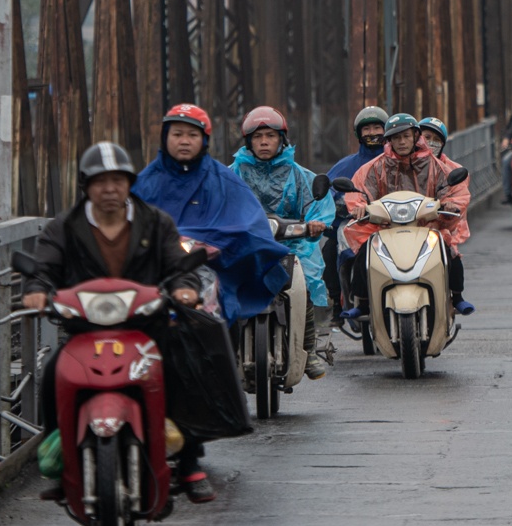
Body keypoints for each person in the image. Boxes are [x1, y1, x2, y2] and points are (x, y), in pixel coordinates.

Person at [21, 141, 214, 502]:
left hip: (146, 329)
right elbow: (43, 267)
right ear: (86, 186)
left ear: (129, 184)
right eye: (100, 181)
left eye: (117, 180)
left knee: (183, 368)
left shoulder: (156, 223)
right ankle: (63, 460)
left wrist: (185, 288)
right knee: (52, 375)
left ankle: (189, 462)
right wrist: (36, 289)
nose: (109, 189)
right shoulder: (65, 227)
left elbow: (178, 265)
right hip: (85, 331)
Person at [134, 104, 291, 325]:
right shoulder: (146, 182)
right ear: (165, 137)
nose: (185, 141)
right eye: (177, 134)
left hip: (210, 264)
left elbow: (249, 221)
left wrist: (220, 245)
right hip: (158, 264)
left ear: (204, 139)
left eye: (192, 135)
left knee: (219, 315)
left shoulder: (222, 180)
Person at [231, 106, 335, 379]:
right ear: (248, 142)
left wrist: (315, 224)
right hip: (248, 245)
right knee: (223, 286)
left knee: (304, 286)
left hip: (292, 243)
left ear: (282, 140)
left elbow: (318, 202)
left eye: (270, 136)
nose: (264, 141)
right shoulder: (232, 174)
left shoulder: (299, 175)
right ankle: (227, 350)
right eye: (257, 137)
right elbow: (219, 203)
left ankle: (308, 349)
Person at [342, 113, 473, 316]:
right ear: (389, 140)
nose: (401, 142)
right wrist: (359, 206)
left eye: (405, 136)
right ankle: (363, 302)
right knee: (364, 254)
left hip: (427, 227)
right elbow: (358, 190)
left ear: (415, 136)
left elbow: (454, 191)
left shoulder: (436, 166)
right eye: (395, 137)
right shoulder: (375, 166)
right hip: (385, 229)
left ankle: (457, 296)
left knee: (450, 253)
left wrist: (450, 205)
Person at [324, 106, 389, 312]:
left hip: (394, 224)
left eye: (377, 127)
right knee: (329, 249)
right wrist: (342, 205)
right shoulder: (345, 166)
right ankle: (337, 301)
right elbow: (329, 194)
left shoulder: (399, 162)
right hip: (357, 225)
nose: (372, 133)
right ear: (358, 134)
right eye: (366, 129)